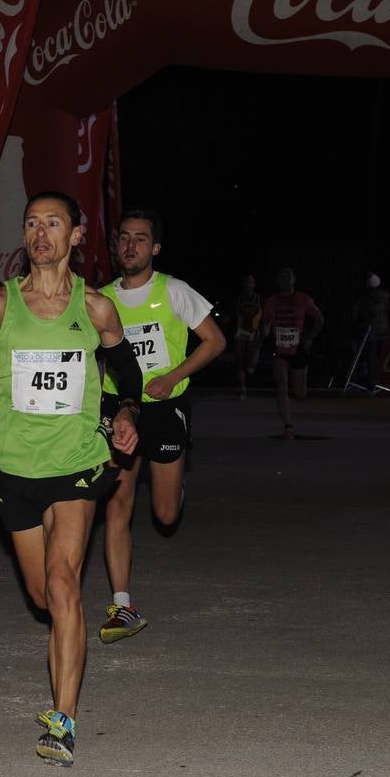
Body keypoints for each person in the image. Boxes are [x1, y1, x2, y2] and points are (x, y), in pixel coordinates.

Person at [0, 191, 142, 768]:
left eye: (53, 224)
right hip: (13, 467)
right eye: (32, 223)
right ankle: (64, 662)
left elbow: (127, 371)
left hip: (77, 463)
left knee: (63, 586)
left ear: (75, 236)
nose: (40, 234)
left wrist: (126, 412)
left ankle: (64, 720)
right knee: (43, 598)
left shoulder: (97, 307)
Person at [98, 207, 224, 644]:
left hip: (164, 405)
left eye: (140, 238)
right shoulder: (100, 299)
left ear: (154, 248)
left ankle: (176, 479)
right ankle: (122, 606)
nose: (130, 245)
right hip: (119, 409)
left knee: (165, 515)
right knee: (117, 504)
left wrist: (172, 377)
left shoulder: (174, 290)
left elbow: (215, 341)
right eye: (124, 237)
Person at [261, 267, 324, 440]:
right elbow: (265, 322)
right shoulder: (271, 301)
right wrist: (265, 330)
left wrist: (310, 338)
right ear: (277, 281)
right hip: (280, 349)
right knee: (282, 387)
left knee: (299, 392)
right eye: (281, 276)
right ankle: (288, 426)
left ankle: (301, 390)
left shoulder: (303, 299)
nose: (284, 279)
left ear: (294, 280)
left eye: (288, 276)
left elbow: (319, 319)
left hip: (298, 348)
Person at [351, 272, 390, 387]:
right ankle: (383, 382)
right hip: (383, 330)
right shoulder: (385, 297)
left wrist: (359, 324)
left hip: (370, 330)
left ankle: (373, 382)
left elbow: (355, 314)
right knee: (383, 358)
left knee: (371, 358)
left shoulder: (363, 298)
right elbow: (388, 313)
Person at [232, 272, 263, 399]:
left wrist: (264, 330)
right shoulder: (238, 299)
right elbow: (232, 315)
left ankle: (251, 367)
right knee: (239, 362)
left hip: (255, 333)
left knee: (251, 365)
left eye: (250, 282)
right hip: (240, 333)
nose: (248, 284)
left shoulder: (260, 298)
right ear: (243, 284)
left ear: (254, 284)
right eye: (246, 282)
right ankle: (242, 389)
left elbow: (266, 316)